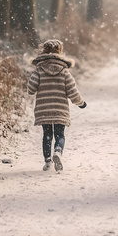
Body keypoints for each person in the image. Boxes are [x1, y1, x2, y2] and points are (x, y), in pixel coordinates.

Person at [27, 39, 87, 172]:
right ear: (60, 52)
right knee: (60, 135)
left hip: (44, 109)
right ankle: (58, 151)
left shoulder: (39, 70)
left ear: (43, 50)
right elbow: (72, 92)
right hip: (60, 109)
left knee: (47, 134)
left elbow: (31, 90)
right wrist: (81, 103)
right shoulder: (65, 72)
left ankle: (48, 161)